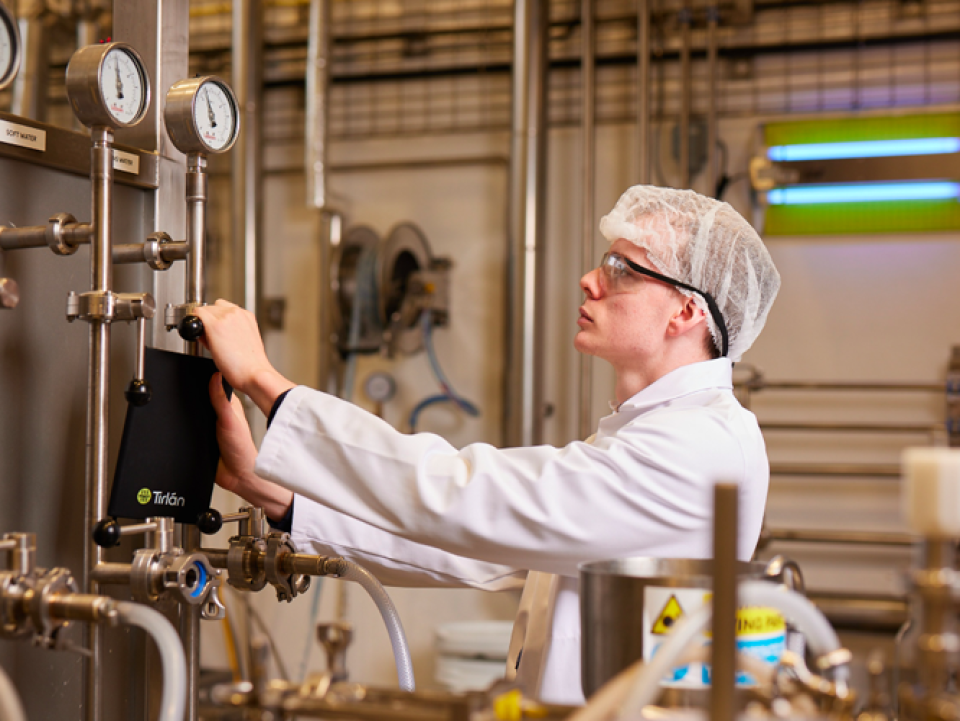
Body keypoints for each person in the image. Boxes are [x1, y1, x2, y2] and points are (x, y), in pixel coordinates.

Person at [193, 185, 781, 705]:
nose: (590, 279)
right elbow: (479, 548)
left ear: (686, 308)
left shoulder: (702, 445)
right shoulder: (651, 432)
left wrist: (266, 384)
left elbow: (465, 496)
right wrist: (266, 490)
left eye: (621, 267)